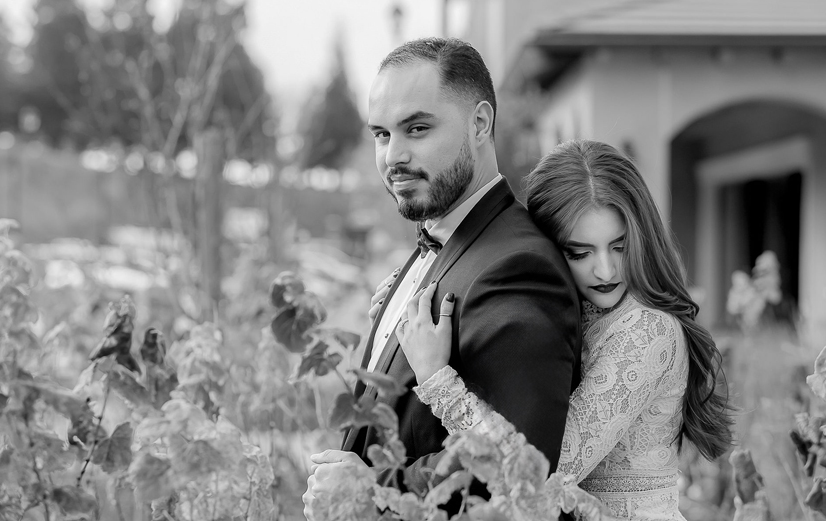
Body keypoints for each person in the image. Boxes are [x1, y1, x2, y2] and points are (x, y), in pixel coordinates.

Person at [302, 38, 582, 519]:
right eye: (382, 134)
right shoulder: (439, 237)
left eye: (416, 128)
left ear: (479, 124)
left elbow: (519, 469)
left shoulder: (519, 269)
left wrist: (368, 487)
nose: (393, 156)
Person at [396, 139, 734, 520]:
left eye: (619, 247)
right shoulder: (569, 311)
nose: (605, 271)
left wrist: (438, 381)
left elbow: (540, 475)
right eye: (580, 252)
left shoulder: (647, 330)